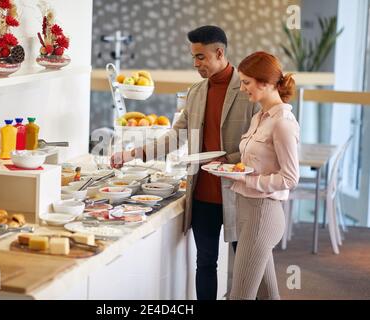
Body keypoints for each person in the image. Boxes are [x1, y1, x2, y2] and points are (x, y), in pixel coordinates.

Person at [111, 25, 259, 300]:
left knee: (247, 267)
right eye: (193, 57)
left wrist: (230, 160)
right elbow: (174, 137)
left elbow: (261, 142)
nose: (195, 63)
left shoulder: (249, 89)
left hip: (241, 192)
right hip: (202, 193)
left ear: (219, 52)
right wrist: (132, 154)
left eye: (200, 57)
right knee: (205, 263)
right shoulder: (196, 92)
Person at [224, 51, 300, 300]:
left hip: (263, 214)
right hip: (247, 211)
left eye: (246, 82)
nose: (243, 88)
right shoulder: (259, 117)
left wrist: (248, 180)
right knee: (268, 296)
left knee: (239, 296)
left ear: (266, 83)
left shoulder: (283, 123)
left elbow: (289, 178)